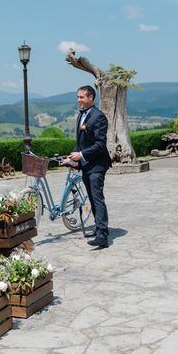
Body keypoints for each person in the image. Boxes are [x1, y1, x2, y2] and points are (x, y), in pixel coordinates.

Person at [67, 85, 112, 249]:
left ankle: (102, 236)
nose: (79, 100)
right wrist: (71, 157)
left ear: (91, 97)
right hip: (86, 164)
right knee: (92, 198)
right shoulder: (82, 115)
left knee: (97, 198)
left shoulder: (98, 117)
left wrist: (82, 155)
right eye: (78, 97)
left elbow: (100, 145)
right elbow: (80, 143)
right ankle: (99, 228)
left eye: (82, 97)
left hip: (98, 164)